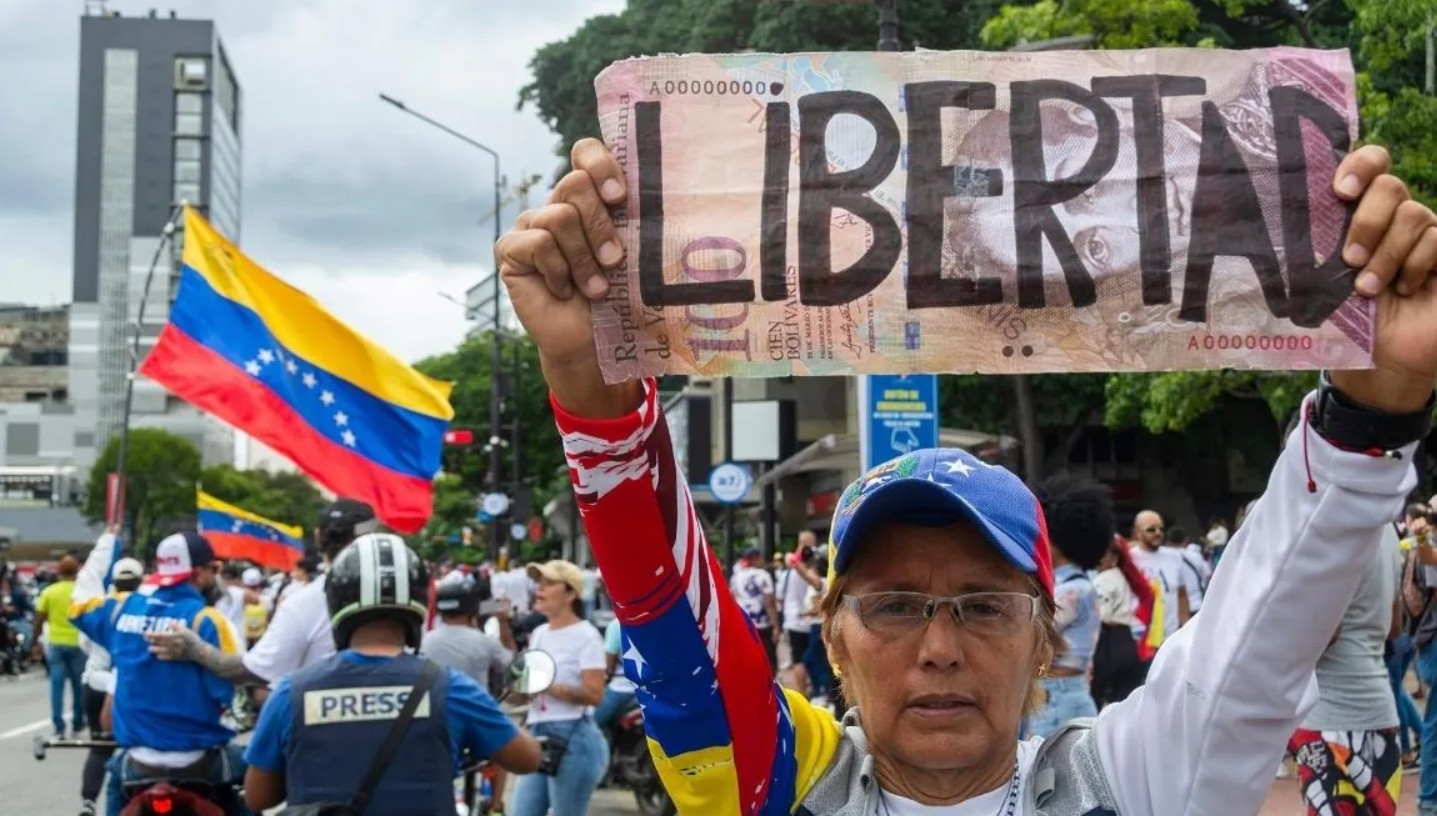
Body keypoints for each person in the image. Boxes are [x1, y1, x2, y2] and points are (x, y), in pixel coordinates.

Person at [495, 137, 1437, 814]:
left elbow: (1259, 629)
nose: (939, 648)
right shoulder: (778, 783)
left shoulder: (1132, 781)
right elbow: (673, 624)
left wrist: (1372, 411)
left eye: (984, 607)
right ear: (833, 638)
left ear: (1045, 638)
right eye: (894, 606)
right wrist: (593, 391)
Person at [243, 533, 541, 813]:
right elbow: (527, 759)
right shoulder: (452, 688)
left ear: (336, 603)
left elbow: (258, 797)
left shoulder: (291, 693)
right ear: (419, 603)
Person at [70, 531, 249, 816]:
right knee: (255, 781)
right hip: (199, 760)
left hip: (139, 762)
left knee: (115, 779)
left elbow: (79, 602)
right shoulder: (209, 622)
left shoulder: (120, 610)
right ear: (200, 573)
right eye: (214, 569)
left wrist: (108, 540)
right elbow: (237, 693)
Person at [147, 498, 378, 694]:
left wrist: (196, 650)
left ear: (318, 537)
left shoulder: (303, 603)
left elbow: (253, 672)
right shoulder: (399, 592)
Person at [1290, 524, 1405, 813]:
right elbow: (1395, 626)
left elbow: (1328, 630)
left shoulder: (1333, 526)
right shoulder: (1388, 530)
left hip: (1329, 713)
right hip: (1381, 712)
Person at [511, 559, 608, 816]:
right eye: (539, 582)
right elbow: (529, 687)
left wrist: (545, 685)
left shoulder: (587, 635)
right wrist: (518, 686)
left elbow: (594, 694)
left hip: (574, 735)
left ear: (570, 594)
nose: (540, 589)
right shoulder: (539, 633)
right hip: (538, 732)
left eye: (550, 583)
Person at [1023, 474, 1109, 740]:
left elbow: (1026, 630)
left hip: (1056, 697)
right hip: (1061, 692)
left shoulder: (1071, 592)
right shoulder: (1079, 585)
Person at [76, 555, 144, 816]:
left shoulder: (99, 607)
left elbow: (84, 642)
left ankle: (89, 801)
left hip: (95, 682)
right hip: (127, 685)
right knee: (138, 748)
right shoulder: (144, 608)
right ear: (139, 581)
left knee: (99, 746)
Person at [1090, 537, 1154, 708]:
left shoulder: (1104, 579)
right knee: (1121, 704)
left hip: (1108, 642)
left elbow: (1101, 615)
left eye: (1103, 553)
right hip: (1128, 642)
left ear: (1114, 557)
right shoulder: (1124, 577)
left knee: (1095, 701)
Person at [36, 555, 87, 736]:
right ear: (77, 571)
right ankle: (78, 722)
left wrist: (35, 642)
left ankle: (58, 725)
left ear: (59, 571)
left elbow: (39, 618)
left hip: (56, 643)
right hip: (78, 643)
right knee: (78, 686)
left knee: (57, 686)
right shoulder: (82, 593)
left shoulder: (49, 592)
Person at [1127, 510, 1193, 648]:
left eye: (1161, 529)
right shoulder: (1128, 558)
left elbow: (1181, 594)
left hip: (1169, 638)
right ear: (1137, 532)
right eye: (1151, 529)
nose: (1158, 533)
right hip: (1138, 637)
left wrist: (1186, 627)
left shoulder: (1174, 557)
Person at [779, 532, 824, 695]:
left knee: (799, 659)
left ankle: (804, 695)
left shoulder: (791, 568)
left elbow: (780, 596)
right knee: (813, 659)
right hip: (811, 620)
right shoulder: (813, 566)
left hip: (796, 619)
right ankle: (816, 691)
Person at [731, 546, 781, 673]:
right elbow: (769, 602)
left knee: (750, 662)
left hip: (745, 625)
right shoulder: (763, 575)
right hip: (763, 624)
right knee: (769, 662)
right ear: (756, 558)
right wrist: (776, 625)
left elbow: (734, 601)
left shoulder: (736, 577)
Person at [595, 616, 636, 728]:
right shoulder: (660, 618)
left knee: (592, 722)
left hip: (623, 688)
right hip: (656, 690)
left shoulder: (617, 625)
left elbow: (607, 667)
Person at [1167, 526, 1211, 614]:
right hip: (1197, 604)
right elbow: (1207, 573)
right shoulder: (1195, 556)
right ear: (1186, 540)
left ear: (1168, 542)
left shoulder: (1165, 559)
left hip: (1175, 609)